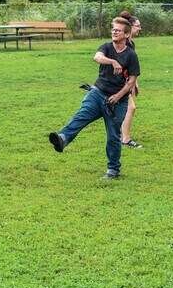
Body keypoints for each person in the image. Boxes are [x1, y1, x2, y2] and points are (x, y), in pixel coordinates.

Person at [49, 17, 140, 179]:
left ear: (126, 35)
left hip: (117, 101)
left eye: (118, 30)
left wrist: (118, 96)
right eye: (113, 29)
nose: (114, 32)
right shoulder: (106, 47)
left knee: (113, 136)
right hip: (97, 93)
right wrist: (112, 62)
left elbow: (132, 81)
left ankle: (113, 171)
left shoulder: (131, 55)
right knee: (82, 115)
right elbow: (97, 57)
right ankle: (63, 139)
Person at [119, 11, 143, 148]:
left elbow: (132, 66)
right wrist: (129, 83)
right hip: (119, 82)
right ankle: (125, 139)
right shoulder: (124, 44)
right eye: (137, 26)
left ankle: (117, 132)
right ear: (129, 27)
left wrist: (135, 83)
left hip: (126, 81)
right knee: (130, 107)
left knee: (121, 107)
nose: (140, 29)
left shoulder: (131, 44)